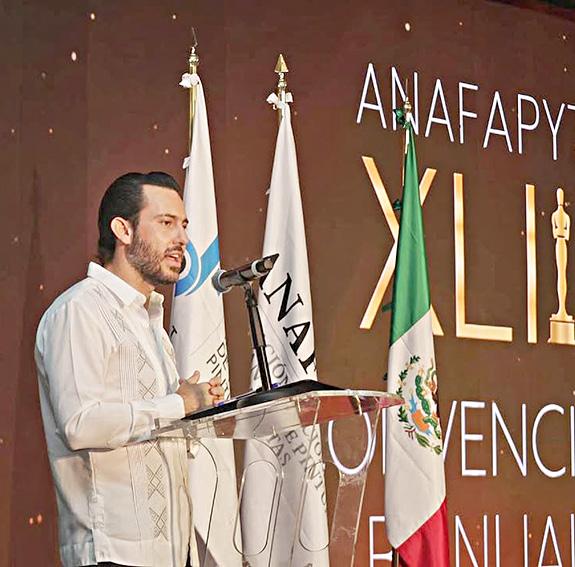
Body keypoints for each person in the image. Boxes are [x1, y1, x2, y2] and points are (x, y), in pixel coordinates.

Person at [35, 172, 224, 567]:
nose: (182, 239)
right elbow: (80, 424)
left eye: (184, 225)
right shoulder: (80, 311)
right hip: (112, 554)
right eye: (166, 223)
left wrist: (196, 410)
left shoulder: (150, 320)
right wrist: (177, 404)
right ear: (123, 230)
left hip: (173, 553)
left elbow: (152, 426)